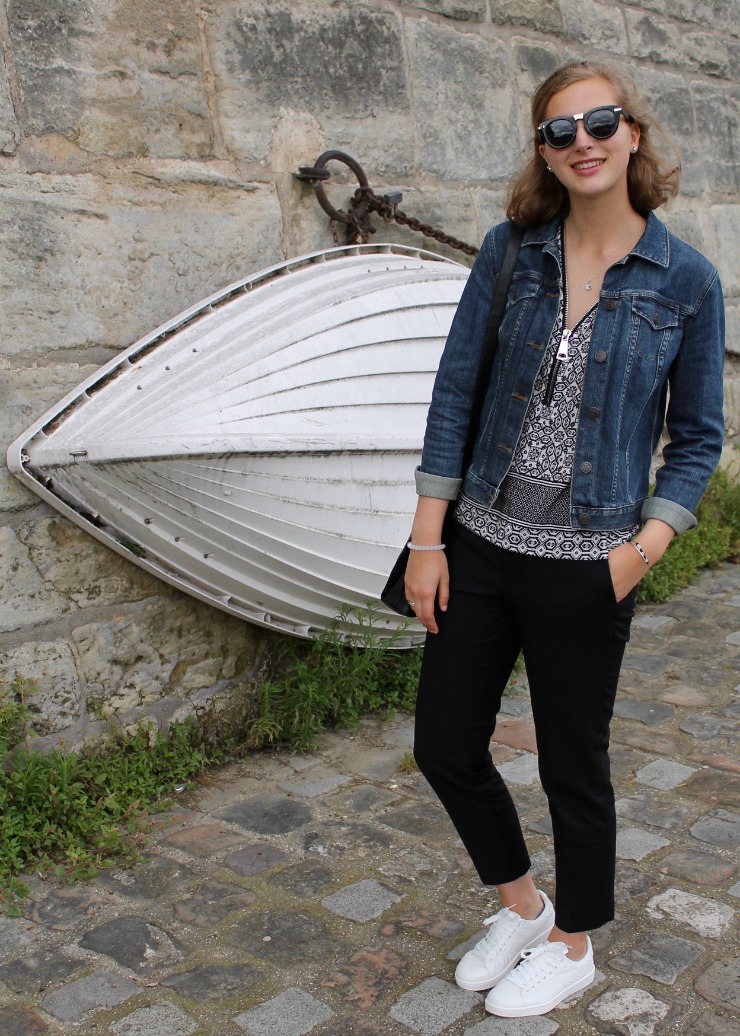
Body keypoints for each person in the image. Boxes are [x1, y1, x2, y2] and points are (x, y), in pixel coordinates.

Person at [405, 59, 725, 1019]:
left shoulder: (687, 280)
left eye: (599, 122)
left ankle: (575, 944)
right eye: (559, 129)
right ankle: (521, 909)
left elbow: (699, 437)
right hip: (479, 550)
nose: (581, 141)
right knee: (444, 743)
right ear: (544, 151)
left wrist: (642, 550)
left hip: (590, 566)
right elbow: (456, 390)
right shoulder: (512, 251)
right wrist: (429, 542)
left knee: (571, 762)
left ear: (633, 135)